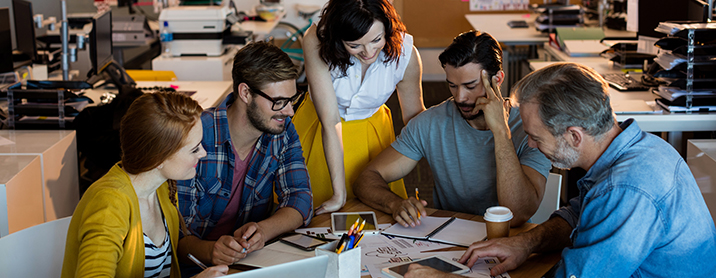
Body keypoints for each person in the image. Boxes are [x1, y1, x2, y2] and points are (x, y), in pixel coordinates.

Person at [409, 62, 716, 277]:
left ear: (573, 136)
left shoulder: (625, 189)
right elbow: (577, 216)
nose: (529, 145)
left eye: (535, 136)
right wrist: (526, 243)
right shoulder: (634, 148)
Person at [353, 30, 552, 228]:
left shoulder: (532, 128)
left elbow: (516, 214)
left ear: (498, 79)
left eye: (470, 86)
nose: (460, 97)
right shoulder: (431, 122)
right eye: (452, 86)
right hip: (450, 240)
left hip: (510, 241)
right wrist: (394, 204)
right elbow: (366, 179)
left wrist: (501, 131)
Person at [176, 41, 313, 275]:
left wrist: (263, 231)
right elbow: (175, 237)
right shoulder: (196, 137)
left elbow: (300, 198)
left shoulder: (282, 131)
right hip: (197, 270)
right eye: (279, 102)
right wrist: (211, 251)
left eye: (292, 100)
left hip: (253, 264)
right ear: (245, 93)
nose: (289, 111)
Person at [62, 92, 228, 277]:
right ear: (159, 158)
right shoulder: (109, 204)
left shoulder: (162, 188)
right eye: (194, 149)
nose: (203, 153)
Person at [294, 0, 426, 214]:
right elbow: (331, 121)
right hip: (321, 127)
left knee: (375, 212)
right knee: (315, 211)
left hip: (372, 130)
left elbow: (415, 119)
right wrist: (338, 195)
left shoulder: (407, 55)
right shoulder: (317, 40)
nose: (368, 52)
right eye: (354, 45)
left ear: (387, 28)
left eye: (376, 40)